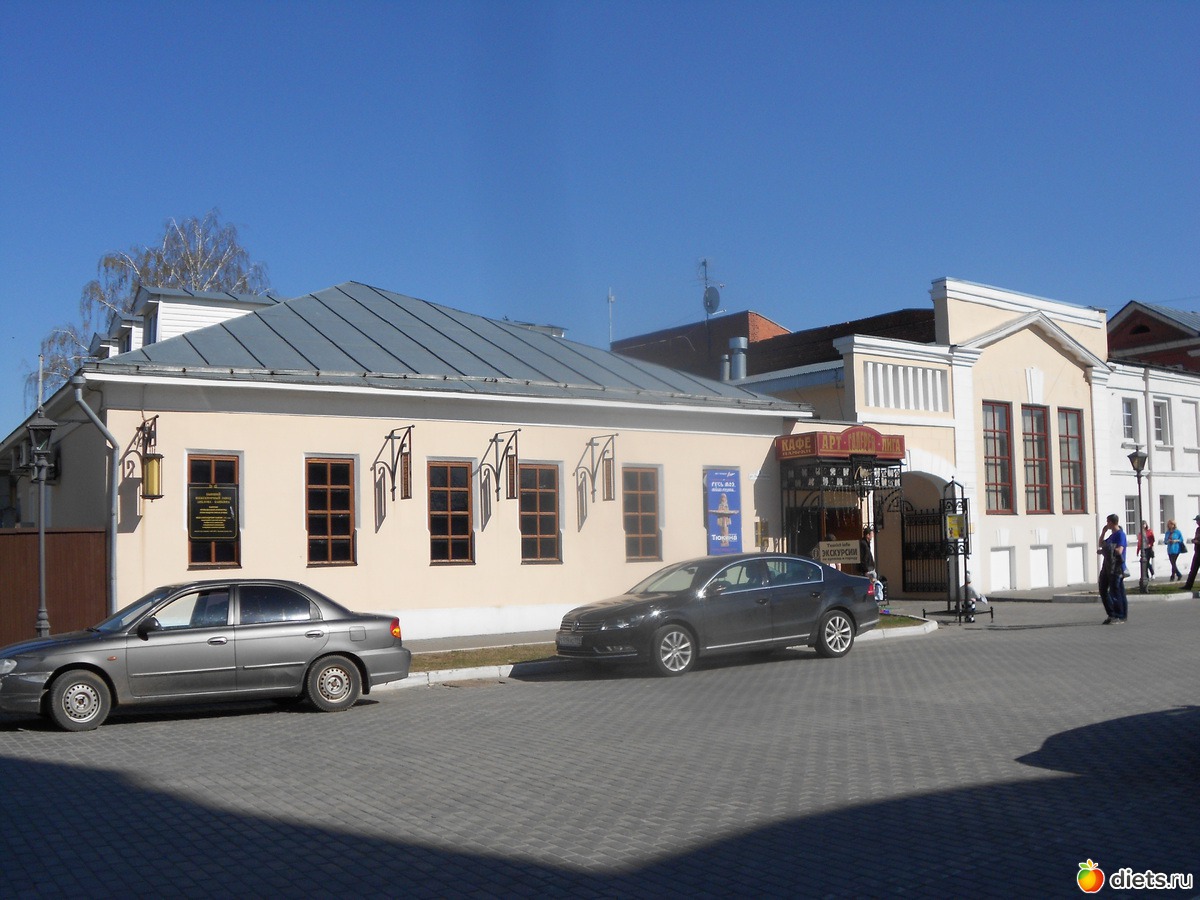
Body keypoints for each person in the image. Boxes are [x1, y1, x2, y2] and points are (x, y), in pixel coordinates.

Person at [1102, 513, 1128, 623]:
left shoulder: (1120, 534)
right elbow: (1101, 544)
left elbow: (1119, 551)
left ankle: (1120, 615)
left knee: (1116, 592)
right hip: (1107, 566)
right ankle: (1112, 614)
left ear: (1112, 522)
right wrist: (1103, 532)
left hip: (1116, 567)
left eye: (1107, 522)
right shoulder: (1111, 535)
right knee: (1103, 589)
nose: (1106, 524)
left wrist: (1107, 549)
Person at [1184, 515, 1200, 591]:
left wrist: (1197, 542)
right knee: (1193, 570)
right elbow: (1196, 538)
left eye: (1198, 520)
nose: (1197, 522)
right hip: (1197, 552)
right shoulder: (1198, 529)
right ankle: (1188, 585)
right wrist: (1194, 540)